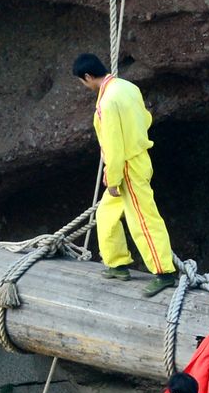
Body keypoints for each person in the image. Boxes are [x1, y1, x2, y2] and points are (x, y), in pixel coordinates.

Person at [73, 52, 176, 297]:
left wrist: (114, 178)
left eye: (82, 81)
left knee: (143, 218)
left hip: (127, 166)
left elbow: (113, 146)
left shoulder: (107, 103)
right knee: (106, 213)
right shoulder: (128, 87)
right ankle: (117, 263)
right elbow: (146, 118)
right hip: (139, 158)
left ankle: (164, 273)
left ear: (88, 77)